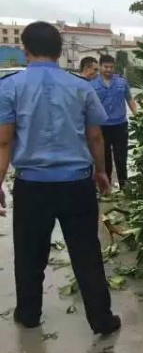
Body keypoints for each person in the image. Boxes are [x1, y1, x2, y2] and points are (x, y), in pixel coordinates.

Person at [0, 21, 121, 335]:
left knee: (29, 254)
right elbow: (96, 137)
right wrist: (101, 172)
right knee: (86, 253)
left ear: (25, 50)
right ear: (59, 51)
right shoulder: (81, 87)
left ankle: (29, 313)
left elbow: (4, 141)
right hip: (77, 185)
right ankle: (102, 320)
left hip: (32, 186)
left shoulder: (10, 87)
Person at [91, 54, 137, 190]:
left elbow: (130, 100)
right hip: (101, 127)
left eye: (111, 67)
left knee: (121, 156)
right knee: (104, 159)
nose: (108, 70)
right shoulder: (92, 84)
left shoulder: (122, 82)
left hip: (120, 125)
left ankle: (124, 186)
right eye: (105, 67)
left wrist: (137, 116)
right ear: (100, 67)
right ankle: (106, 188)